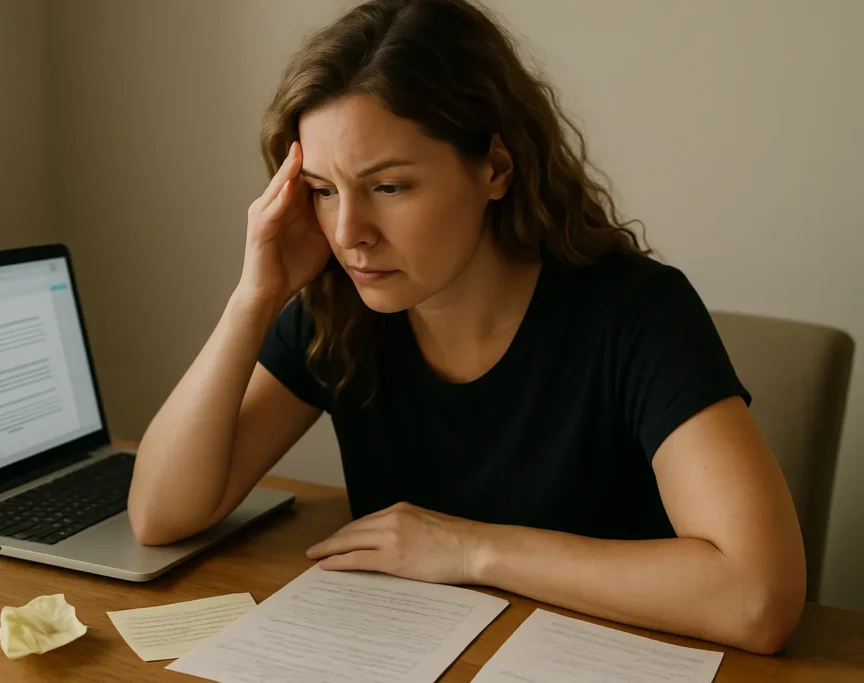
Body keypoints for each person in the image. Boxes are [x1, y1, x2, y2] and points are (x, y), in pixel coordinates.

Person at [128, 0, 805, 654]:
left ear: (496, 167)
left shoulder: (638, 313)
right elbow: (161, 513)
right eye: (324, 190)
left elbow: (757, 598)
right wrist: (255, 294)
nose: (348, 233)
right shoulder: (339, 311)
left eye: (389, 187)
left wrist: (467, 547)